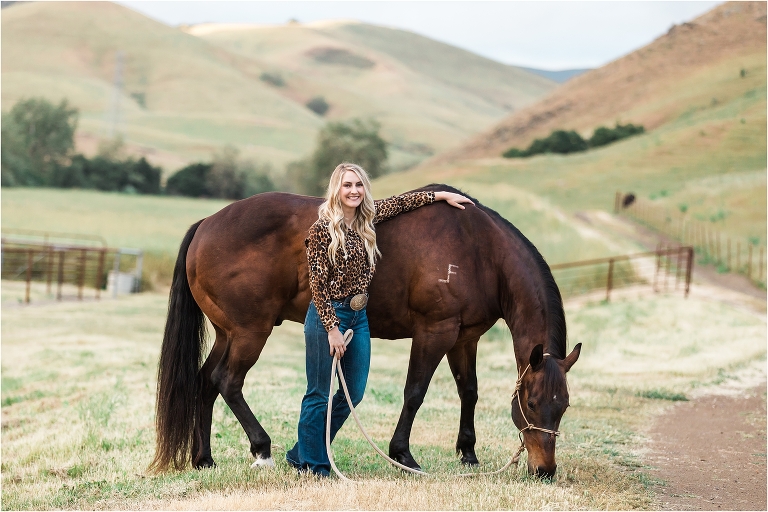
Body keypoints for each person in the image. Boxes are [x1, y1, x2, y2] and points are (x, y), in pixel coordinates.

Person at [286, 162, 473, 477]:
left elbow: (403, 202)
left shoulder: (367, 219)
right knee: (318, 393)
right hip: (326, 315)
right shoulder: (321, 229)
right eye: (347, 185)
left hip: (359, 317)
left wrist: (441, 195)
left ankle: (302, 451)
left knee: (354, 392)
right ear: (337, 189)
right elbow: (316, 285)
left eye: (359, 185)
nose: (354, 191)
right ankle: (315, 466)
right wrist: (331, 328)